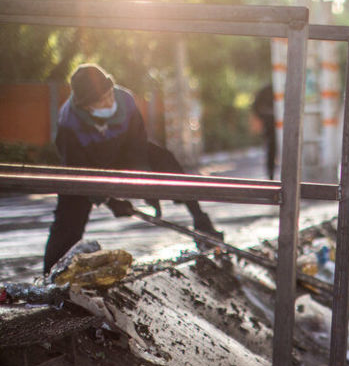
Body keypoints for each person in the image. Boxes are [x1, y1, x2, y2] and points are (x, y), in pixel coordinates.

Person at [44, 63, 220, 274]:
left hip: (122, 151)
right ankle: (52, 270)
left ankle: (202, 222)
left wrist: (145, 188)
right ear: (86, 106)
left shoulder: (125, 100)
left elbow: (137, 145)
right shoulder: (68, 122)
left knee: (164, 159)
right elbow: (78, 170)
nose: (110, 102)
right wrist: (111, 201)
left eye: (109, 94)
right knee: (68, 216)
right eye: (101, 101)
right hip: (86, 165)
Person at [252, 83, 277, 180]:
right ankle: (270, 175)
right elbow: (256, 108)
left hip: (272, 125)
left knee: (272, 150)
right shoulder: (266, 90)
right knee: (271, 150)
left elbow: (255, 108)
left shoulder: (267, 90)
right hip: (270, 126)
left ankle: (271, 175)